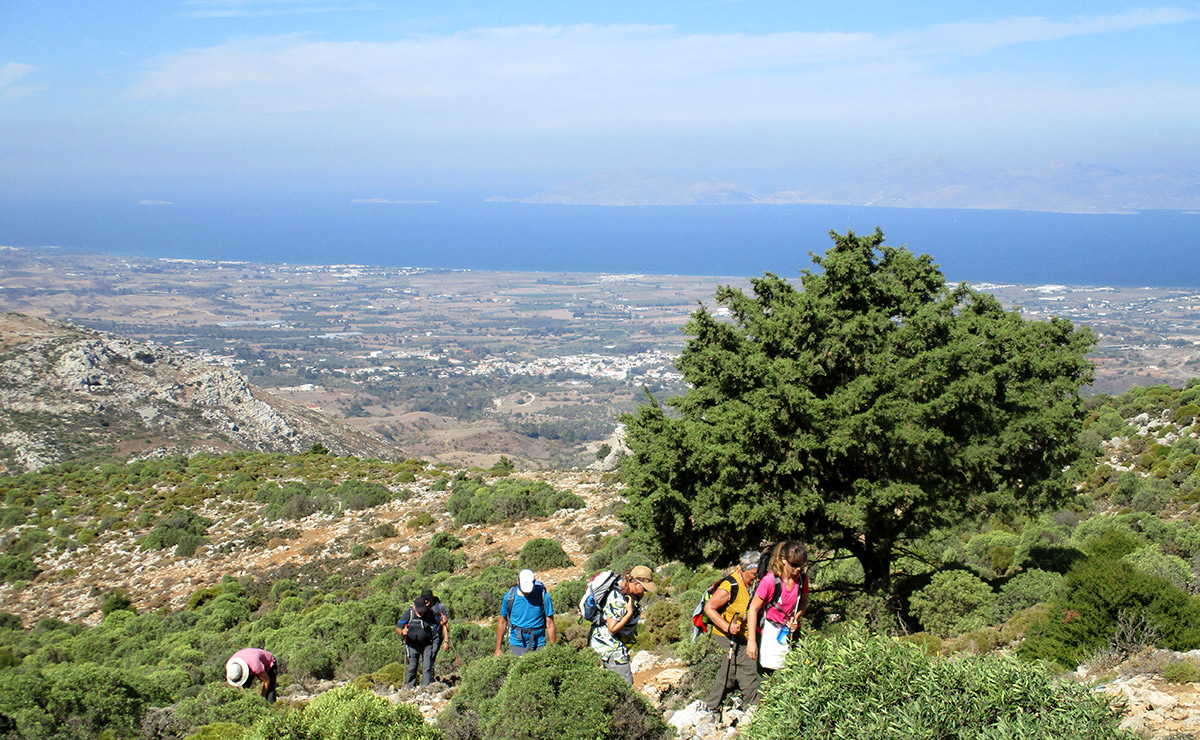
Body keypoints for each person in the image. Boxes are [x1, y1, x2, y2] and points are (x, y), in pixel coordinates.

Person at [704, 551, 763, 711]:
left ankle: (747, 707)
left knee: (733, 670)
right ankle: (750, 707)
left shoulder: (755, 583)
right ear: (743, 569)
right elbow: (709, 608)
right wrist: (726, 626)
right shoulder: (730, 585)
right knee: (739, 667)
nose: (756, 577)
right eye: (753, 574)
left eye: (758, 574)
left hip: (744, 634)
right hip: (726, 634)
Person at [746, 541, 809, 673]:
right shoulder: (770, 581)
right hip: (767, 633)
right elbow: (753, 609)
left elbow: (803, 601)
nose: (798, 569)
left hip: (789, 633)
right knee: (765, 677)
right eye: (794, 565)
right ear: (783, 560)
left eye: (801, 566)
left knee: (794, 672)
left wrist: (796, 618)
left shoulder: (802, 579)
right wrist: (752, 641)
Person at [589, 565, 657, 684]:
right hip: (610, 647)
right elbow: (612, 628)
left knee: (612, 685)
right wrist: (629, 613)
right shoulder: (617, 598)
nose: (645, 592)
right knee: (624, 684)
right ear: (636, 583)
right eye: (644, 588)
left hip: (612, 645)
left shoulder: (626, 590)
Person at [495, 569, 556, 656]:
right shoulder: (509, 598)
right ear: (517, 581)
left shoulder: (543, 596)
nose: (527, 593)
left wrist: (553, 649)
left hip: (539, 644)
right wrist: (498, 649)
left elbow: (550, 624)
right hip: (517, 644)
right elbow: (502, 622)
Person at [396, 591, 443, 688]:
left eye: (423, 610)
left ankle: (426, 688)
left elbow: (438, 621)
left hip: (426, 645)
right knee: (412, 667)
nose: (421, 612)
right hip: (412, 645)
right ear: (414, 607)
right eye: (419, 610)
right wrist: (402, 632)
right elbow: (398, 627)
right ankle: (410, 687)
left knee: (427, 666)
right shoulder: (409, 613)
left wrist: (443, 621)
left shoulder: (429, 613)